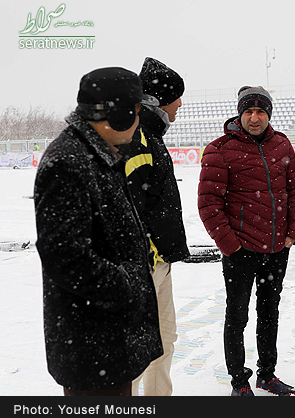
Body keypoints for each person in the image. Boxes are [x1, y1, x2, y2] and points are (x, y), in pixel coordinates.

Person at [33, 67, 163, 396]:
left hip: (108, 344)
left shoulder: (95, 154)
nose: (137, 121)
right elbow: (66, 258)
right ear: (115, 115)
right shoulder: (69, 164)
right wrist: (127, 284)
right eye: (133, 112)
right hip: (92, 350)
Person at [198, 86, 295, 396]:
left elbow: (294, 190)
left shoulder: (281, 144)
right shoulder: (219, 149)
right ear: (240, 114)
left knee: (269, 312)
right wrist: (231, 245)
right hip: (241, 251)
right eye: (249, 111)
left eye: (260, 111)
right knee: (238, 315)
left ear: (268, 114)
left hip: (276, 248)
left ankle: (267, 374)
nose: (255, 117)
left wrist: (293, 232)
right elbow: (208, 205)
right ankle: (239, 381)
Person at [118, 57, 189, 396]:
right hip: (143, 264)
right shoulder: (137, 138)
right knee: (136, 349)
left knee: (164, 340)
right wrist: (141, 256)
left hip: (160, 261)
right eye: (177, 97)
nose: (180, 104)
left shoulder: (152, 136)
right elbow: (125, 205)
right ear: (162, 99)